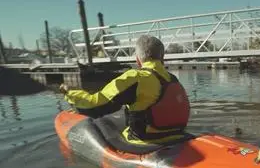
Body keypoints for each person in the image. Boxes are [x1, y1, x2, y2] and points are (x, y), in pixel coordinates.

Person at [59, 35, 190, 144]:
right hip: (177, 135)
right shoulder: (173, 79)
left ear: (138, 59)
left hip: (145, 141)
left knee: (104, 122)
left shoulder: (135, 77)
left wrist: (70, 93)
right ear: (163, 57)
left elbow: (95, 106)